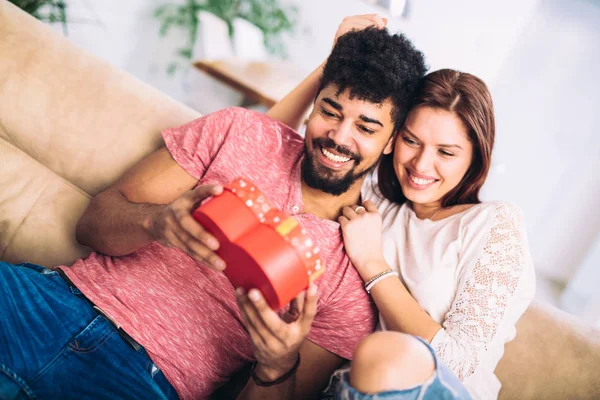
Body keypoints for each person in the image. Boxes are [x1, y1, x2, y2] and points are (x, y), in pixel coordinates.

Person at [0, 22, 428, 400]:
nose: (338, 136)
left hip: (146, 380)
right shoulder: (240, 131)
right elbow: (93, 223)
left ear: (392, 141)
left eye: (366, 127)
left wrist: (277, 363)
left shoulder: (349, 278)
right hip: (47, 302)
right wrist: (156, 221)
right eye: (329, 112)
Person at [267, 17, 536, 400]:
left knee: (386, 353)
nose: (421, 166)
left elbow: (458, 365)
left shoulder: (493, 224)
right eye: (412, 141)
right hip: (344, 389)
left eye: (446, 152)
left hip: (436, 391)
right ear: (392, 139)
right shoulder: (377, 201)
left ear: (476, 157)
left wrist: (374, 266)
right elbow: (265, 150)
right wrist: (334, 63)